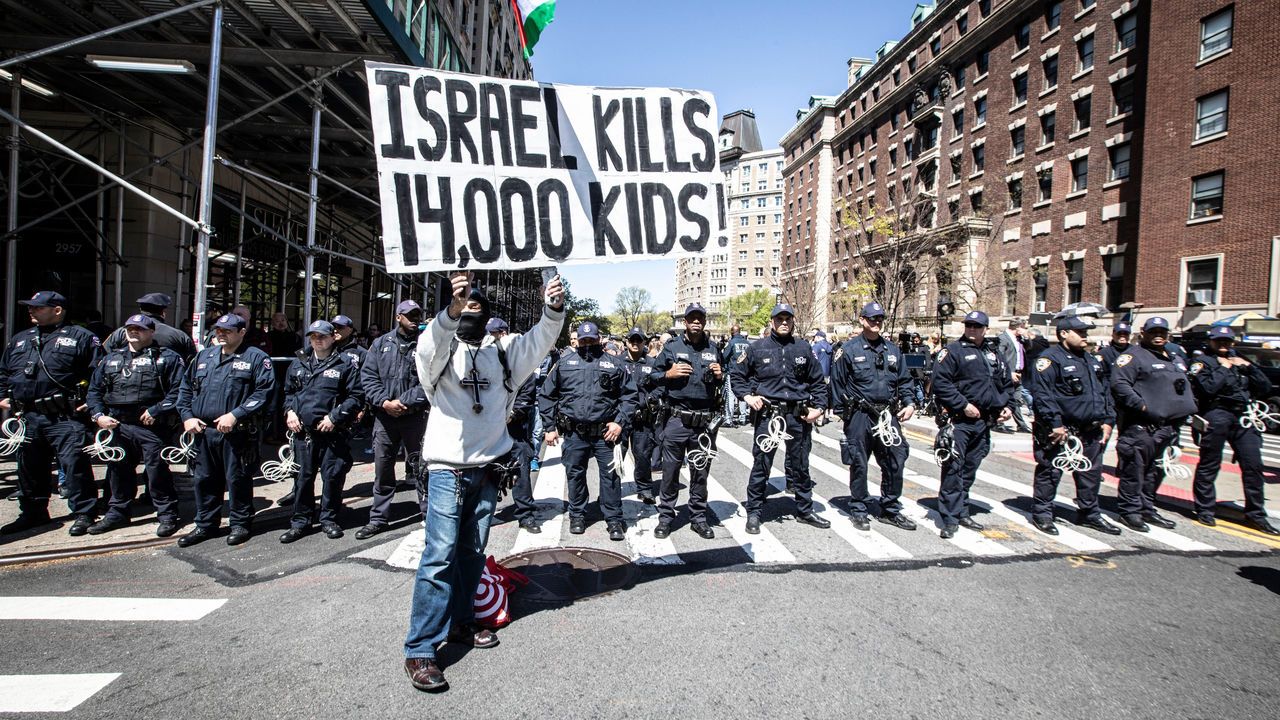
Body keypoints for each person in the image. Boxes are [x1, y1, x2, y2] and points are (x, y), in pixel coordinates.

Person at [403, 271, 564, 693]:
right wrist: (450, 311)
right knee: (439, 556)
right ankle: (420, 649)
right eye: (462, 306)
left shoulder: (504, 352)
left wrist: (553, 306)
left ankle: (461, 622)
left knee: (473, 553)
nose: (470, 309)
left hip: (489, 469)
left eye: (476, 305)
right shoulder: (440, 351)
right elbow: (430, 344)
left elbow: (542, 338)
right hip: (445, 470)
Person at [0, 291, 103, 535]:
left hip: (65, 416)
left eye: (38, 307)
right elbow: (4, 371)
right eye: (30, 307)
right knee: (29, 468)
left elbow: (98, 375)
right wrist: (3, 396)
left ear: (57, 310)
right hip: (29, 417)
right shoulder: (20, 339)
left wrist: (92, 403)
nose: (31, 311)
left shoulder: (82, 337)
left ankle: (84, 513)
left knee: (74, 465)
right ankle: (33, 513)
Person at [175, 313, 275, 547]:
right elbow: (185, 390)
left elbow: (264, 393)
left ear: (241, 333)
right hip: (204, 431)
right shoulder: (203, 357)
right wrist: (187, 417)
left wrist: (235, 414)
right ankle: (205, 525)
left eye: (227, 331)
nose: (221, 333)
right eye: (219, 330)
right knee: (205, 479)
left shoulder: (256, 358)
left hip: (237, 431)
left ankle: (240, 523)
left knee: (237, 478)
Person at [731, 303, 831, 534]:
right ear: (772, 322)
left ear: (793, 321)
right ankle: (754, 511)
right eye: (779, 319)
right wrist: (748, 396)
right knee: (761, 464)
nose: (783, 322)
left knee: (801, 465)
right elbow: (737, 375)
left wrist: (819, 407)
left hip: (798, 415)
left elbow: (818, 381)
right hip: (770, 414)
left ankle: (805, 510)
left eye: (787, 319)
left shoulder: (804, 348)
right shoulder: (757, 348)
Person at [85, 314, 185, 537]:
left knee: (156, 470)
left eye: (139, 329)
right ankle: (117, 512)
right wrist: (98, 415)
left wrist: (157, 410)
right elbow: (94, 392)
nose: (133, 332)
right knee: (118, 470)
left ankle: (167, 513)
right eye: (129, 328)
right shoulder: (112, 358)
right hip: (118, 424)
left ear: (151, 332)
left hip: (152, 425)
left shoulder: (167, 358)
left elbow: (179, 391)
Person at [539, 321, 637, 540]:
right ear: (578, 341)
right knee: (575, 474)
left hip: (606, 434)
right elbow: (547, 395)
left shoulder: (614, 364)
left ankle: (613, 520)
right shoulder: (564, 364)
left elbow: (630, 396)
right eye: (583, 341)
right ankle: (577, 515)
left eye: (591, 340)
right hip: (574, 433)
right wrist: (549, 427)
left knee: (610, 477)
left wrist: (619, 422)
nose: (587, 344)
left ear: (599, 339)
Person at [1027, 317, 1121, 536]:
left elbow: (1104, 392)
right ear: (1063, 334)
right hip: (1062, 430)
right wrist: (1055, 423)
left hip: (1090, 429)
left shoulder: (1091, 360)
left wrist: (1108, 420)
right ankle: (1042, 513)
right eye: (1080, 332)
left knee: (1090, 473)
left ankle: (1089, 513)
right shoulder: (1049, 359)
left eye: (1086, 332)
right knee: (1050, 471)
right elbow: (1042, 395)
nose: (1085, 336)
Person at [828, 302, 917, 532]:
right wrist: (843, 413)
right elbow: (837, 383)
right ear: (862, 320)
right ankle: (859, 508)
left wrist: (909, 403)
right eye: (871, 318)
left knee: (896, 460)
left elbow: (905, 380)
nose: (876, 322)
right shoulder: (848, 350)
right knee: (859, 463)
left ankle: (890, 509)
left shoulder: (893, 350)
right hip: (860, 415)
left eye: (879, 319)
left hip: (887, 415)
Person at [277, 321, 365, 542]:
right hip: (303, 434)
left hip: (332, 433)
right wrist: (290, 412)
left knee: (332, 477)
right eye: (313, 336)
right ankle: (300, 522)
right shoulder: (299, 362)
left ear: (333, 337)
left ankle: (329, 519)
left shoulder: (345, 364)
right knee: (302, 479)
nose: (317, 340)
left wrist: (334, 417)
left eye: (322, 336)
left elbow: (356, 396)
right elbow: (288, 393)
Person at [930, 310, 1013, 538]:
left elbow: (1006, 383)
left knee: (970, 469)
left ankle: (962, 510)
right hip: (960, 421)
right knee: (953, 470)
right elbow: (941, 383)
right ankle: (949, 518)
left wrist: (1008, 407)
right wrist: (962, 404)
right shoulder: (953, 351)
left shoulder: (993, 352)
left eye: (977, 326)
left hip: (984, 422)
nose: (972, 329)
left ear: (986, 328)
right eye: (969, 325)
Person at [1109, 317, 1197, 532]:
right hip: (1141, 427)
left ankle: (1147, 507)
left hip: (1167, 427)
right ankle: (1130, 511)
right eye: (1153, 331)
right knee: (1134, 471)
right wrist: (1142, 407)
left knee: (1154, 472)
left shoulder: (1173, 357)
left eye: (1162, 331)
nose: (1158, 335)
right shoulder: (1132, 357)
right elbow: (1119, 385)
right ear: (1143, 333)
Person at [1188, 326, 1278, 534]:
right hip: (1217, 413)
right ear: (1211, 341)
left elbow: (1264, 387)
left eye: (1227, 341)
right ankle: (1205, 509)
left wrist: (1249, 367)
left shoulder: (1241, 361)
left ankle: (1256, 514)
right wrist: (1224, 368)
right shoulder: (1203, 362)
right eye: (1219, 341)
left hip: (1243, 416)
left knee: (1253, 464)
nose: (1223, 345)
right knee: (1210, 464)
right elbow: (1208, 389)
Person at [357, 300, 430, 540]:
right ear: (398, 317)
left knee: (422, 467)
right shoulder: (380, 344)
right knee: (383, 469)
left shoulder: (426, 344)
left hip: (414, 417)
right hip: (385, 417)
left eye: (418, 315)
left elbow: (430, 380)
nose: (415, 319)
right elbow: (368, 377)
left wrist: (406, 402)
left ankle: (429, 515)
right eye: (410, 315)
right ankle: (378, 518)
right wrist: (385, 402)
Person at [649, 306, 724, 538]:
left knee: (700, 472)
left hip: (704, 422)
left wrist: (721, 375)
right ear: (685, 322)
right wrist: (668, 375)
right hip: (677, 419)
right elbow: (651, 377)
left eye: (700, 318)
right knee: (670, 472)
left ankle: (698, 518)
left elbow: (724, 381)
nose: (696, 322)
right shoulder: (672, 348)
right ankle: (665, 517)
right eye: (691, 318)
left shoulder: (714, 349)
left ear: (704, 322)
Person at [620, 327, 662, 507]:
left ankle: (645, 488)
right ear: (627, 342)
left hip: (643, 418)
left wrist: (651, 400)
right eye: (632, 340)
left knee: (643, 455)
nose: (635, 343)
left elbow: (661, 385)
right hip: (620, 417)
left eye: (639, 340)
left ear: (645, 342)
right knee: (615, 455)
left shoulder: (652, 363)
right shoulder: (616, 361)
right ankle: (610, 490)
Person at [104, 292, 197, 362]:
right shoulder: (178, 335)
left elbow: (104, 354)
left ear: (141, 309)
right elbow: (192, 362)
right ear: (163, 312)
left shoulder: (122, 332)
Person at [996, 318, 1033, 433]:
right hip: (1008, 374)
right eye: (1024, 327)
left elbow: (1029, 347)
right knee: (1002, 398)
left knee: (1016, 399)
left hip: (1018, 373)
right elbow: (999, 357)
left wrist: (1026, 337)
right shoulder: (1003, 338)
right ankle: (998, 422)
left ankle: (1021, 424)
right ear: (1018, 327)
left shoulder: (1019, 339)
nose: (1026, 330)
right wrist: (1008, 372)